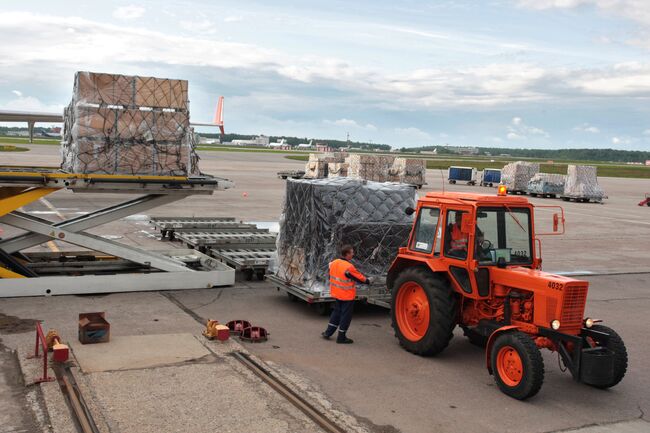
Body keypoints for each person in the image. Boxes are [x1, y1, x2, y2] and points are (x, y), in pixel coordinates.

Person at [321, 244, 370, 344]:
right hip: (347, 296)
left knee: (336, 313)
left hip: (337, 293)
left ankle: (328, 333)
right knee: (345, 317)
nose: (353, 254)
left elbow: (331, 275)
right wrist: (368, 281)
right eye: (352, 252)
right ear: (347, 254)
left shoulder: (333, 263)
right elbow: (359, 278)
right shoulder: (348, 267)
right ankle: (341, 337)